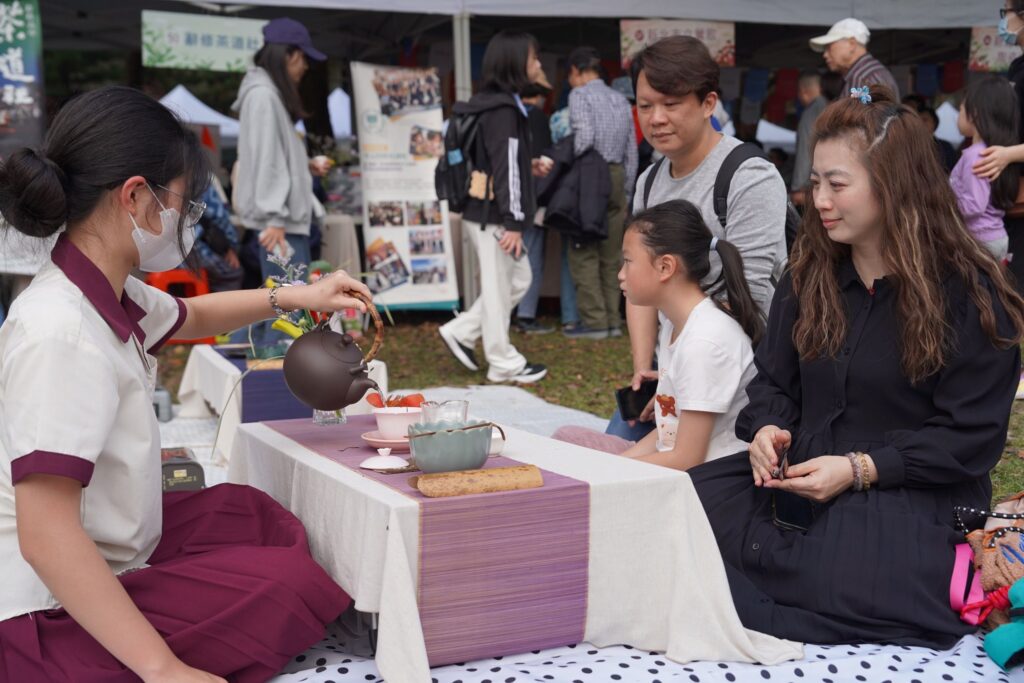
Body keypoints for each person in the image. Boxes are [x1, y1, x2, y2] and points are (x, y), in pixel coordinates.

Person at [0, 87, 371, 681]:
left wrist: (296, 294)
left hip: (110, 539)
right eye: (182, 200)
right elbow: (46, 538)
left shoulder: (102, 282)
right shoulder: (59, 333)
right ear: (135, 196)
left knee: (250, 512)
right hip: (41, 614)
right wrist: (162, 667)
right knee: (285, 585)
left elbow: (194, 317)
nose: (187, 218)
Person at [689, 85, 1024, 648]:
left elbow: (970, 437)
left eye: (837, 184)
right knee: (680, 515)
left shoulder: (973, 296)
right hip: (799, 478)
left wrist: (861, 468)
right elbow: (773, 381)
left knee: (841, 570)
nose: (818, 198)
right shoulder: (809, 276)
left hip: (912, 492)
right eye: (816, 181)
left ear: (894, 187)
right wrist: (768, 428)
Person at [608, 35, 787, 442]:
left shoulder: (748, 176)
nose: (656, 118)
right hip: (677, 372)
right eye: (645, 105)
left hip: (738, 380)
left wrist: (678, 382)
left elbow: (751, 294)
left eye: (671, 104)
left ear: (708, 104)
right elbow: (640, 287)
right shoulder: (649, 182)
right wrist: (647, 370)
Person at [554, 199, 760, 470]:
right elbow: (668, 432)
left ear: (665, 267)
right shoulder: (677, 325)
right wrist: (614, 465)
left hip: (697, 483)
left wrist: (608, 472)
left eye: (628, 262)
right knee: (563, 441)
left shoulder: (705, 342)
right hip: (668, 462)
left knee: (567, 466)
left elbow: (687, 458)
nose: (621, 274)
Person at [438, 31, 550, 384]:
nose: (539, 64)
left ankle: (462, 331)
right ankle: (502, 362)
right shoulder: (504, 110)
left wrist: (526, 168)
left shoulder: (490, 103)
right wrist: (515, 222)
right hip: (495, 217)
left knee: (516, 280)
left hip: (484, 211)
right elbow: (505, 169)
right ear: (516, 63)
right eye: (534, 58)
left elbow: (499, 162)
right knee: (506, 285)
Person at [232, 17, 331, 343]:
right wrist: (274, 216)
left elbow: (272, 156)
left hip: (281, 219)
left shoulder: (265, 94)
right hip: (280, 223)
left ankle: (257, 360)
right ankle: (273, 374)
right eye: (303, 58)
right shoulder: (264, 96)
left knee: (278, 301)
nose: (304, 68)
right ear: (289, 55)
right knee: (287, 304)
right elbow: (268, 161)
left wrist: (305, 166)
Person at [564, 46, 638, 340]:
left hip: (589, 176)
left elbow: (584, 139)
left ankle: (594, 322)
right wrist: (628, 190)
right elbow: (631, 149)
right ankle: (612, 320)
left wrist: (562, 163)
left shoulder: (579, 95)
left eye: (569, 75)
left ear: (578, 72)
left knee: (583, 248)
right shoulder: (620, 99)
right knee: (612, 253)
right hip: (618, 176)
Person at [972, 2, 1024, 290]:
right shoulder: (1018, 66)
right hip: (1011, 196)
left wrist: (1009, 154)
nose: (1004, 20)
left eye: (1007, 12)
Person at [951, 75, 1020, 261]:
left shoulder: (976, 156)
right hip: (995, 238)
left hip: (979, 241)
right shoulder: (995, 152)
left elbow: (974, 205)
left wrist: (944, 202)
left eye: (961, 109)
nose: (958, 115)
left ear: (974, 114)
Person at [514, 79, 556, 335]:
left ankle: (510, 311)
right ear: (539, 97)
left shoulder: (510, 116)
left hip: (509, 199)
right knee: (533, 258)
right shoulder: (539, 118)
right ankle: (526, 315)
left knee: (511, 259)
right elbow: (543, 160)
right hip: (532, 198)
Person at [810, 18, 900, 99]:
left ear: (852, 44)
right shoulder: (869, 72)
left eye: (829, 47)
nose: (825, 55)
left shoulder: (862, 78)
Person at [191, 183, 244, 292]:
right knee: (233, 274)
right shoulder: (199, 179)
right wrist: (230, 247)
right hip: (193, 250)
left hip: (162, 256)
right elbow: (220, 218)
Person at [791, 70, 828, 206]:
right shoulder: (829, 107)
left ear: (803, 91)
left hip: (809, 185)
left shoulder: (810, 113)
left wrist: (797, 187)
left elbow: (804, 150)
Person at [919, 106, 959, 173]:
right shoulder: (909, 147)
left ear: (934, 123)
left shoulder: (945, 147)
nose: (920, 123)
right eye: (917, 120)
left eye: (925, 120)